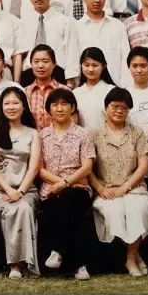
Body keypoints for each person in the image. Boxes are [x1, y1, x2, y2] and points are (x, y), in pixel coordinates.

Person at [89, 87, 148, 277]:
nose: (119, 111)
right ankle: (134, 253)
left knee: (136, 210)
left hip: (134, 188)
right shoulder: (95, 135)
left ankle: (130, 259)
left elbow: (143, 166)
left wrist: (125, 188)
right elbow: (88, 168)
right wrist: (100, 188)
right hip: (107, 190)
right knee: (115, 213)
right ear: (106, 108)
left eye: (124, 108)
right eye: (115, 106)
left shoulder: (137, 133)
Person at [37, 89, 96, 280]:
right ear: (49, 109)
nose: (60, 108)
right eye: (55, 105)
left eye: (64, 104)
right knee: (68, 209)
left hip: (78, 190)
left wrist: (65, 184)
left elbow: (87, 167)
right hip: (51, 191)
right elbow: (39, 169)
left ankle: (57, 250)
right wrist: (62, 184)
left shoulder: (83, 134)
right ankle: (80, 265)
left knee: (70, 198)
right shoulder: (42, 136)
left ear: (73, 108)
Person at [0, 87, 40, 279]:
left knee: (23, 208)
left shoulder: (32, 133)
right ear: (1, 107)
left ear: (24, 106)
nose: (11, 107)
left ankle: (26, 263)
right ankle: (14, 265)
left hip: (26, 190)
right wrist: (8, 190)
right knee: (8, 209)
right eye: (6, 103)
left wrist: (20, 191)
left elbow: (33, 168)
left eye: (15, 103)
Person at [65, 0, 129, 86]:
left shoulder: (118, 26)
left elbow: (125, 58)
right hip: (84, 86)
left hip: (115, 85)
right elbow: (71, 59)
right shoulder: (75, 27)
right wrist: (73, 86)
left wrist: (125, 86)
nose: (98, 0)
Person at [22, 0, 74, 77]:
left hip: (57, 73)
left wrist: (70, 79)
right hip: (29, 73)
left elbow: (71, 53)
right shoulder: (22, 23)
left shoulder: (65, 22)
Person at [23, 44, 69, 129]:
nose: (40, 66)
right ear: (31, 64)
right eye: (36, 61)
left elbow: (71, 122)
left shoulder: (65, 91)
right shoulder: (24, 92)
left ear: (54, 64)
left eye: (45, 61)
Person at [71, 47, 117, 131]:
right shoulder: (75, 93)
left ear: (103, 66)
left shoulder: (112, 91)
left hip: (107, 137)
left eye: (95, 65)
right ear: (81, 65)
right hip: (81, 138)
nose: (90, 69)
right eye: (86, 65)